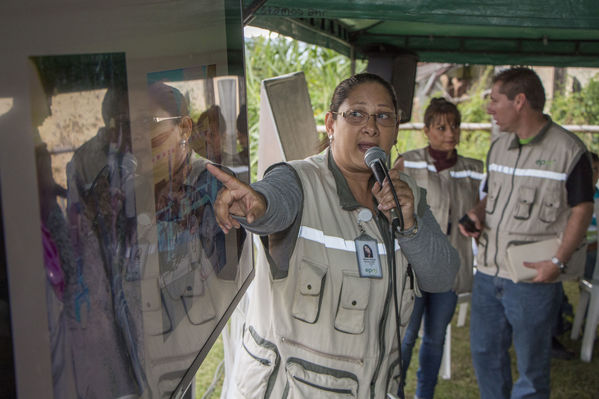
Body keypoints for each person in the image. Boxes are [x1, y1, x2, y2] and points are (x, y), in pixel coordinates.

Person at [207, 73, 460, 398]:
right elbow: (275, 202)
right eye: (356, 113)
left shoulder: (405, 193)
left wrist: (409, 223)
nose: (370, 126)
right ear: (330, 124)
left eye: (383, 116)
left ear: (395, 130)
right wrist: (259, 205)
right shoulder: (297, 180)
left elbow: (442, 276)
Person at [459, 67, 594, 399]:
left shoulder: (569, 151)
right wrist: (475, 215)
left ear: (519, 101)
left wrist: (557, 263)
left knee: (533, 369)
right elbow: (492, 194)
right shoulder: (499, 146)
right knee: (485, 356)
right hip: (489, 274)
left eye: (494, 100)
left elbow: (582, 209)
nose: (489, 108)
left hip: (533, 278)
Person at [397, 98, 483, 399]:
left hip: (450, 271)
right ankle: (395, 392)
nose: (450, 133)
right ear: (427, 130)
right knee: (406, 338)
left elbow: (486, 209)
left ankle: (425, 394)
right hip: (413, 271)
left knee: (435, 340)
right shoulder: (407, 162)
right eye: (442, 127)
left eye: (455, 126)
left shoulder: (474, 170)